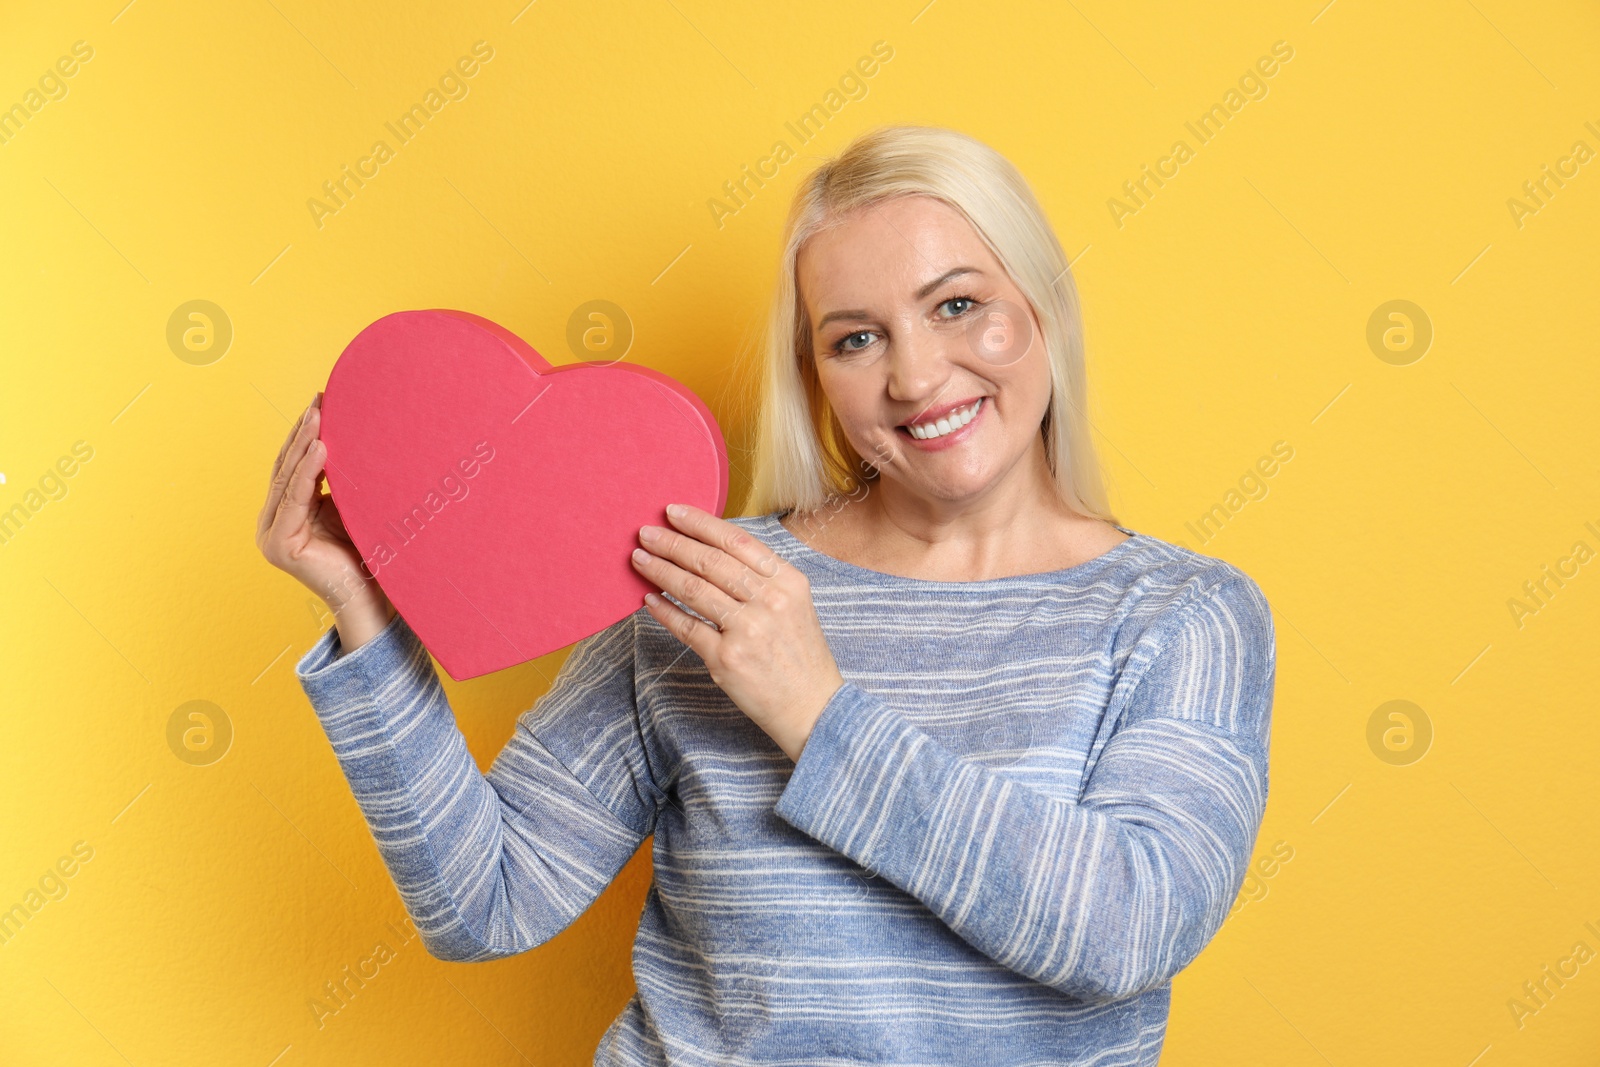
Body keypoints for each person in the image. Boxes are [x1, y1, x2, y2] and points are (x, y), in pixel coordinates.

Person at [257, 124, 1277, 1065]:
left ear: (1043, 309)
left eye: (957, 304)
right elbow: (487, 899)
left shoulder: (1183, 615)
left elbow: (1126, 930)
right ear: (815, 376)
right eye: (854, 338)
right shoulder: (701, 582)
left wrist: (813, 709)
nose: (917, 376)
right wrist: (366, 615)